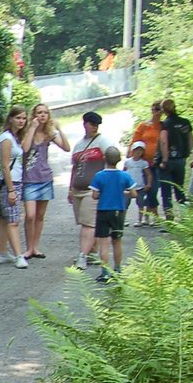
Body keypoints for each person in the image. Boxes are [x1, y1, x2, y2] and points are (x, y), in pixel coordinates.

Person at [19, 102, 69, 260]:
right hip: (29, 179)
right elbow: (24, 149)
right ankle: (28, 248)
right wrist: (32, 128)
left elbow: (66, 148)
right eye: (39, 112)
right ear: (34, 115)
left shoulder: (49, 134)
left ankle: (35, 247)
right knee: (30, 215)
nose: (42, 115)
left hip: (45, 178)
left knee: (40, 216)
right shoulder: (27, 132)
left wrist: (59, 129)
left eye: (45, 113)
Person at [68, 110, 109, 269]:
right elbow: (74, 167)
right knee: (84, 221)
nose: (94, 127)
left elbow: (112, 160)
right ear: (85, 124)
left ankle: (82, 256)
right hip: (78, 188)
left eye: (96, 125)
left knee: (88, 223)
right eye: (92, 124)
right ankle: (92, 252)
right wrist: (70, 188)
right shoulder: (79, 144)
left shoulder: (103, 141)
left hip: (92, 190)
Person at [89, 146, 136, 281]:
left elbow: (95, 195)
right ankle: (118, 269)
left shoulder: (99, 176)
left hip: (103, 211)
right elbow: (133, 193)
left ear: (104, 159)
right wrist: (123, 192)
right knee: (117, 241)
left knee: (104, 242)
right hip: (118, 211)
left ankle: (105, 272)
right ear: (119, 159)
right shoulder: (124, 175)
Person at [0, 106, 28, 268]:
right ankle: (19, 256)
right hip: (10, 183)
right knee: (13, 221)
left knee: (4, 219)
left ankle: (2, 253)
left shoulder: (14, 137)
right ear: (11, 118)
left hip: (12, 181)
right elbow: (5, 166)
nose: (21, 121)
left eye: (24, 118)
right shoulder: (6, 139)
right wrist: (11, 189)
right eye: (18, 118)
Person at [157, 96, 193, 223]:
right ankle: (184, 218)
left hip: (169, 161)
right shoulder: (185, 122)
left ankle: (169, 220)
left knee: (166, 191)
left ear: (163, 110)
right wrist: (187, 153)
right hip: (181, 159)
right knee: (179, 189)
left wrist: (165, 159)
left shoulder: (165, 124)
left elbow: (163, 141)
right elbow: (190, 139)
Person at [131, 102, 164, 227]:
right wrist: (132, 157)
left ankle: (153, 215)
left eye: (160, 109)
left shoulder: (164, 126)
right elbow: (135, 141)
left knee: (153, 189)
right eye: (155, 109)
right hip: (143, 163)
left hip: (157, 163)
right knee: (143, 190)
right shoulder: (143, 126)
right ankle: (146, 216)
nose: (157, 111)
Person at [124, 140, 154, 226]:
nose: (138, 152)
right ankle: (123, 220)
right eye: (136, 150)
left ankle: (139, 220)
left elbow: (149, 174)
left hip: (140, 187)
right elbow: (123, 173)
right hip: (128, 187)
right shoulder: (128, 162)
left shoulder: (144, 163)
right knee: (125, 204)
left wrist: (148, 184)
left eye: (141, 150)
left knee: (140, 204)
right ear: (132, 151)